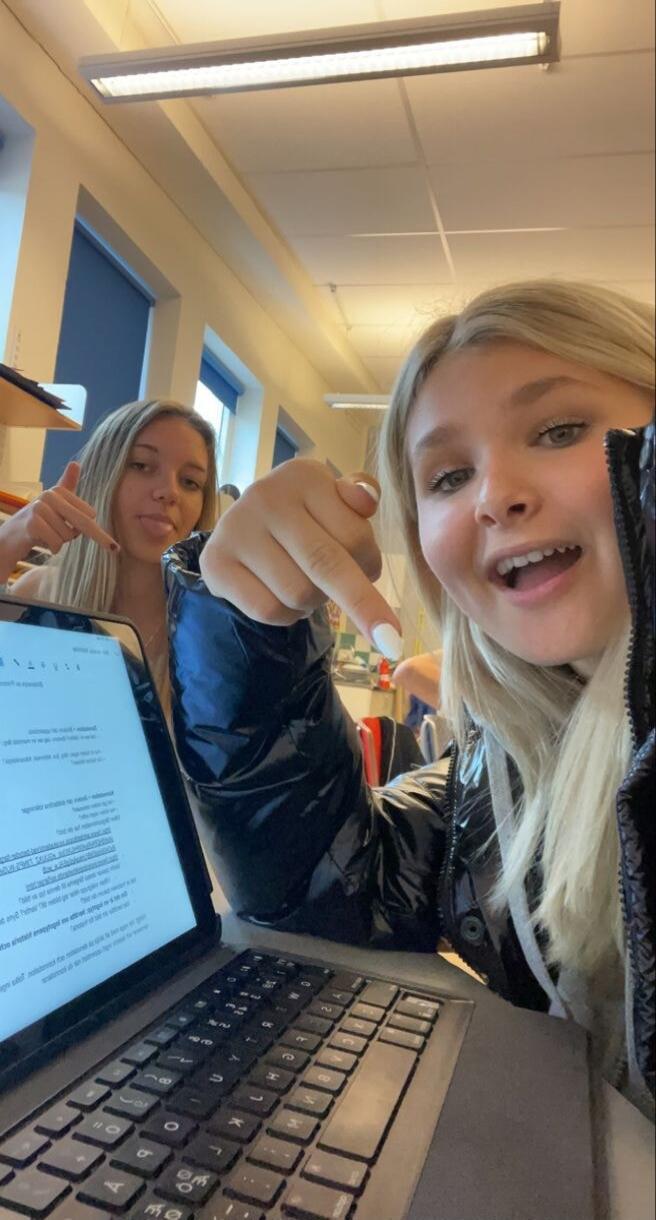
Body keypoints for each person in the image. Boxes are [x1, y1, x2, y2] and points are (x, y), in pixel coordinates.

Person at [163, 281, 654, 1113]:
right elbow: (329, 900)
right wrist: (251, 631)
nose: (495, 495)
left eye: (561, 430)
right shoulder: (506, 767)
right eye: (449, 475)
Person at [5, 399, 218, 715]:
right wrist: (6, 543)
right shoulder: (40, 594)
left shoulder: (210, 636)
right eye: (142, 465)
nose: (169, 491)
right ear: (103, 475)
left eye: (190, 482)